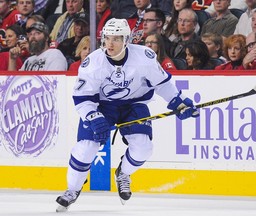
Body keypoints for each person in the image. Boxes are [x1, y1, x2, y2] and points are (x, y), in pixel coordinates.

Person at [55, 18, 199, 212]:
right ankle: (72, 190)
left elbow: (162, 84)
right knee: (86, 147)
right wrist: (93, 117)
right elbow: (82, 98)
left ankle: (123, 173)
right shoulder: (93, 63)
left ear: (127, 39)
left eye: (117, 38)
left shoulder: (144, 57)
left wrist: (178, 102)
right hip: (102, 106)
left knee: (143, 147)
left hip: (134, 104)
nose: (110, 43)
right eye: (107, 38)